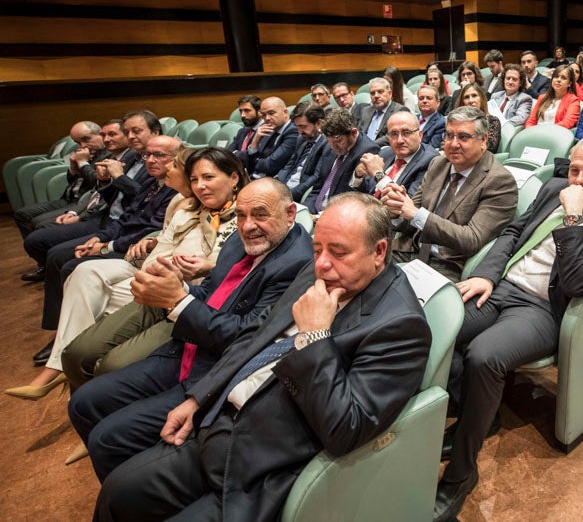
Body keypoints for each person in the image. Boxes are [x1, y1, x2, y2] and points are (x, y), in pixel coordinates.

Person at [92, 193, 431, 522]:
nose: (323, 263)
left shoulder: (401, 325)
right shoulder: (319, 271)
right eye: (317, 249)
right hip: (219, 421)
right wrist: (200, 397)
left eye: (339, 252)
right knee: (118, 492)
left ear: (379, 252)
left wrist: (314, 338)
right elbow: (255, 336)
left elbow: (346, 429)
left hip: (263, 466)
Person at [434, 139, 583, 521]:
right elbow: (512, 234)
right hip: (501, 287)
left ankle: (461, 474)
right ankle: (480, 413)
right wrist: (486, 275)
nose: (578, 180)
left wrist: (574, 218)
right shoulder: (551, 188)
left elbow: (579, 282)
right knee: (439, 330)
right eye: (574, 170)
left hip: (543, 309)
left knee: (485, 355)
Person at [67, 178, 313, 482]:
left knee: (108, 438)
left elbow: (247, 336)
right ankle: (131, 473)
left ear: (290, 213)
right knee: (83, 402)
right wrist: (178, 285)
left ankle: (133, 486)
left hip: (215, 370)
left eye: (260, 214)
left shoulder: (300, 264)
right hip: (184, 349)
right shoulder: (238, 241)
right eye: (240, 214)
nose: (247, 225)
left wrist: (177, 300)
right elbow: (212, 293)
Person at [5, 147, 247, 402]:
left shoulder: (247, 215)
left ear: (234, 178)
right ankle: (69, 379)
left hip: (197, 300)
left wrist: (206, 267)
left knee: (108, 361)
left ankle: (87, 394)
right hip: (159, 287)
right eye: (195, 179)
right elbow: (155, 248)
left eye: (208, 178)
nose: (200, 186)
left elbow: (246, 270)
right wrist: (160, 266)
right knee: (76, 347)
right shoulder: (187, 210)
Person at [37, 135, 180, 363]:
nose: (151, 160)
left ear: (177, 159)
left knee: (73, 267)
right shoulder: (151, 183)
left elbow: (149, 231)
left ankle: (71, 346)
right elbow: (124, 217)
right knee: (62, 258)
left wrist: (107, 246)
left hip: (135, 250)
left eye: (159, 155)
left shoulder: (175, 191)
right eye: (147, 155)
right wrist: (98, 238)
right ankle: (68, 342)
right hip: (119, 238)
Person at [383, 106, 517, 282]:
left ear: (483, 139)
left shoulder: (499, 181)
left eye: (463, 137)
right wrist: (397, 212)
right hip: (409, 250)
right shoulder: (438, 164)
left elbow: (472, 239)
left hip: (446, 264)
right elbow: (411, 218)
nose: (453, 144)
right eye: (449, 135)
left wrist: (416, 214)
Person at [14, 121, 109, 239]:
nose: (83, 145)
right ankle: (34, 246)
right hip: (67, 198)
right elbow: (72, 182)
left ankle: (41, 245)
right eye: (78, 142)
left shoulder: (108, 156)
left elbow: (98, 183)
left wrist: (83, 163)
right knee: (22, 214)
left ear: (100, 135)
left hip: (81, 202)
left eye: (86, 139)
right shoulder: (88, 153)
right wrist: (73, 167)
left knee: (39, 223)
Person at [309, 109, 380, 215]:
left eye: (338, 141)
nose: (332, 146)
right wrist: (306, 210)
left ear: (353, 133)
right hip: (315, 211)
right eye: (329, 141)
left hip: (339, 215)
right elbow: (318, 187)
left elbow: (355, 199)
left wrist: (320, 216)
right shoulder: (331, 146)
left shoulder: (368, 152)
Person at [350, 110, 437, 196]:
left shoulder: (430, 162)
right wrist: (358, 176)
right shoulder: (385, 152)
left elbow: (406, 203)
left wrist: (378, 174)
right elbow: (368, 191)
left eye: (406, 133)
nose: (399, 140)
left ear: (420, 135)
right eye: (394, 134)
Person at [274, 103, 329, 202]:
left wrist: (288, 196)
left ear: (319, 124)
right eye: (297, 127)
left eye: (303, 127)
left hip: (300, 193)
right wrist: (277, 185)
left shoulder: (328, 144)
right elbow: (289, 166)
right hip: (285, 188)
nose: (299, 131)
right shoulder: (301, 139)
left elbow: (316, 177)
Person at [234, 97, 299, 179]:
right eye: (264, 115)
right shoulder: (268, 130)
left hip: (272, 183)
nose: (267, 118)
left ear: (285, 112)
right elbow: (252, 162)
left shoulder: (294, 132)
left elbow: (269, 165)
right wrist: (255, 141)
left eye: (271, 113)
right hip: (253, 178)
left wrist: (253, 161)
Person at [525, 64, 581, 129]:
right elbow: (531, 121)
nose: (558, 80)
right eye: (556, 77)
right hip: (535, 134)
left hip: (555, 134)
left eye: (563, 78)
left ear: (569, 83)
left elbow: (567, 123)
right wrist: (529, 131)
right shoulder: (542, 97)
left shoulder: (573, 100)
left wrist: (544, 131)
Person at [358, 77, 407, 146]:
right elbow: (359, 134)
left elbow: (392, 136)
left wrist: (368, 146)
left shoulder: (399, 111)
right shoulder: (366, 111)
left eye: (380, 92)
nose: (376, 96)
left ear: (389, 93)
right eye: (372, 93)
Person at [457, 83, 501, 152]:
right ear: (462, 102)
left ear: (481, 99)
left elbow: (490, 147)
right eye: (467, 97)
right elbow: (446, 141)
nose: (471, 100)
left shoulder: (492, 121)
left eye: (474, 96)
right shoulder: (457, 121)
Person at [488, 63, 533, 127]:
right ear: (504, 80)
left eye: (514, 79)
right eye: (508, 78)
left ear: (520, 83)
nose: (510, 82)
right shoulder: (495, 96)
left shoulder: (524, 99)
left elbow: (520, 118)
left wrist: (501, 124)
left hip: (507, 131)